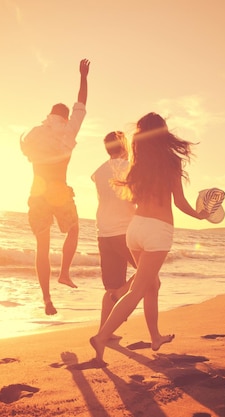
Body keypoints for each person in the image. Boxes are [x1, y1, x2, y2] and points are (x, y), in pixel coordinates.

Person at [90, 113, 211, 366]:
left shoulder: (136, 163)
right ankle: (101, 336)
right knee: (136, 290)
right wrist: (199, 216)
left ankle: (155, 337)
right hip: (158, 231)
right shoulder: (171, 162)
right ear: (163, 133)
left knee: (151, 285)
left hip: (135, 229)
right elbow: (178, 201)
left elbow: (133, 199)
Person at [20, 58, 90, 316]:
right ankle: (64, 273)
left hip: (37, 193)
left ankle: (47, 299)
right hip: (59, 191)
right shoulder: (68, 131)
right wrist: (83, 76)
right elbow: (81, 103)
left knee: (42, 247)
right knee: (73, 229)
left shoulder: (36, 133)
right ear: (66, 116)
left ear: (50, 114)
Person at [91, 131, 137, 335]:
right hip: (124, 232)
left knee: (110, 287)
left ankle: (104, 332)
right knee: (148, 272)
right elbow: (135, 199)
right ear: (123, 145)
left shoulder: (98, 171)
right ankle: (121, 293)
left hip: (104, 233)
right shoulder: (129, 168)